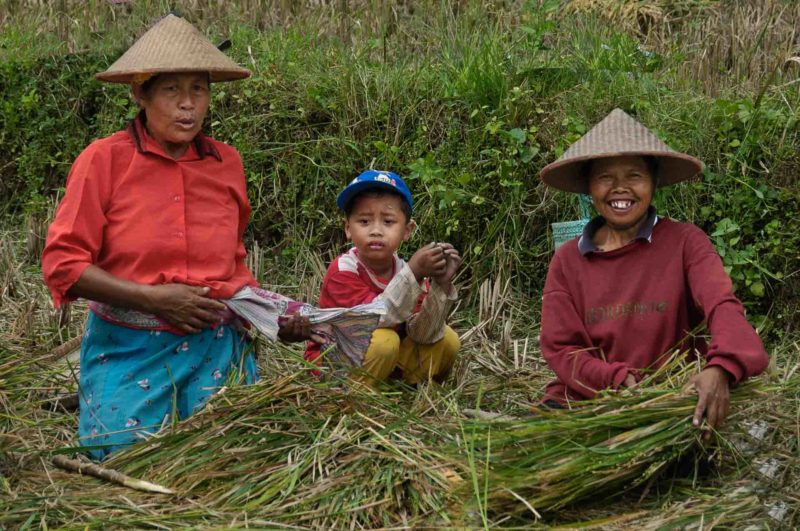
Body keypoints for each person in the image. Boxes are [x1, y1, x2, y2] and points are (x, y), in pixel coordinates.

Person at [41, 14, 312, 459]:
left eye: (198, 89)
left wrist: (273, 318)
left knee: (238, 455)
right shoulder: (103, 161)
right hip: (131, 346)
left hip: (216, 345)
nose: (188, 105)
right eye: (172, 90)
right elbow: (63, 266)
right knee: (122, 454)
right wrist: (155, 299)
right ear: (140, 94)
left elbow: (232, 268)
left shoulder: (226, 163)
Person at [537, 108, 769, 431]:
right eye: (605, 177)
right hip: (588, 401)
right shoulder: (567, 260)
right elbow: (561, 348)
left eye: (634, 176)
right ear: (589, 187)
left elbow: (723, 307)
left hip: (669, 399)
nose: (620, 189)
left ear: (654, 182)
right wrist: (615, 378)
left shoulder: (686, 243)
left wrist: (722, 368)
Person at [304, 170, 461, 386]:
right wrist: (414, 273)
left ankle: (404, 391)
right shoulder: (343, 271)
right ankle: (346, 399)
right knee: (384, 341)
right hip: (336, 367)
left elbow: (423, 334)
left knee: (448, 340)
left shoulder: (407, 272)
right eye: (365, 221)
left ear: (407, 230)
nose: (376, 230)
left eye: (388, 222)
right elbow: (374, 318)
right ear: (348, 228)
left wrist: (440, 286)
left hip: (384, 367)